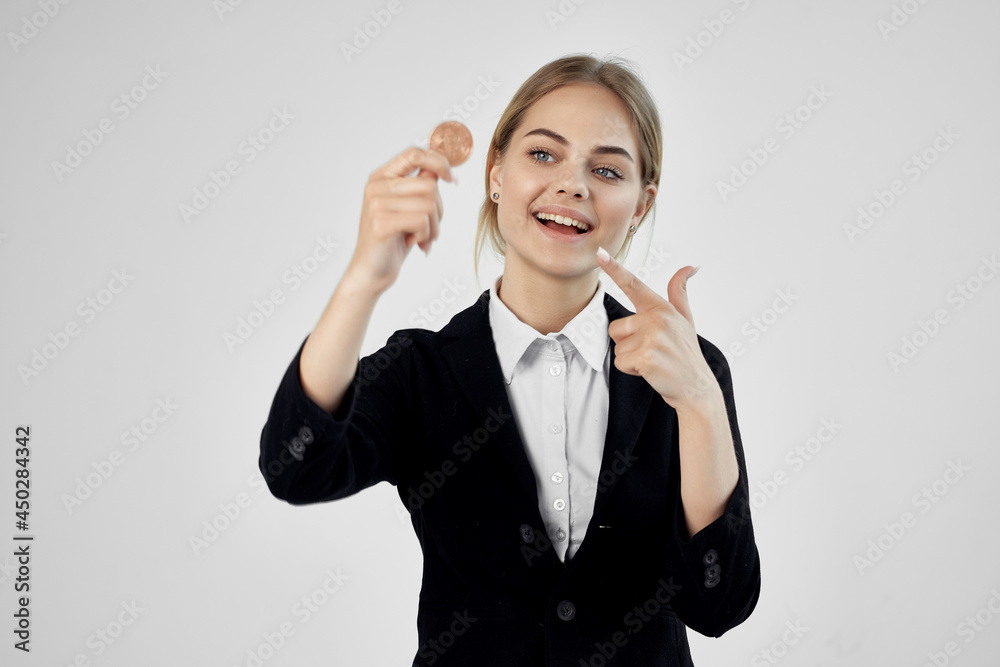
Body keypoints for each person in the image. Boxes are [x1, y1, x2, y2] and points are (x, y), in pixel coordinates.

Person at [259, 53, 760, 666]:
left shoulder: (686, 370)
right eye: (543, 154)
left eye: (606, 169)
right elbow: (296, 466)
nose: (572, 185)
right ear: (496, 173)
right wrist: (364, 279)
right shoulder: (422, 371)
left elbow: (719, 605)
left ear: (640, 205)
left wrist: (700, 401)